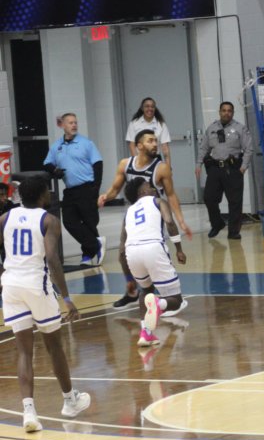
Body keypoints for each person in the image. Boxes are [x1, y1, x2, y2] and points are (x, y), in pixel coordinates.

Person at [0, 176, 91, 432]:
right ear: (42, 195)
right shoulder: (49, 220)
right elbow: (52, 259)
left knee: (24, 352)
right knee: (54, 346)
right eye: (48, 192)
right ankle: (70, 400)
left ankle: (29, 412)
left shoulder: (5, 218)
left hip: (11, 286)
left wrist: (3, 275)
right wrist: (67, 298)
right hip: (36, 286)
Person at [99, 129, 192, 308]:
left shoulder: (161, 168)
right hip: (133, 213)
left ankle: (157, 292)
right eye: (150, 141)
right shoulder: (125, 164)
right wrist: (105, 196)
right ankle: (132, 289)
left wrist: (180, 220)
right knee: (122, 252)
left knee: (149, 252)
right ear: (139, 146)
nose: (155, 144)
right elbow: (115, 189)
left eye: (156, 141)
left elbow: (171, 195)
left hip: (154, 213)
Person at [119, 177, 187, 348]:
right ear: (142, 191)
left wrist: (129, 279)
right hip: (153, 248)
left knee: (146, 291)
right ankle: (159, 304)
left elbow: (121, 250)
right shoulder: (158, 201)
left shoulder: (128, 212)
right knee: (176, 300)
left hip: (131, 252)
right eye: (149, 186)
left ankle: (146, 333)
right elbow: (169, 222)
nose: (153, 189)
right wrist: (179, 248)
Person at [43, 112, 105, 266]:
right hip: (70, 190)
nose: (74, 125)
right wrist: (54, 170)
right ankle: (96, 244)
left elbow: (98, 164)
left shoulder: (86, 143)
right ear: (63, 125)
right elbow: (47, 163)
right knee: (69, 222)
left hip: (87, 188)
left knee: (89, 222)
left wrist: (96, 188)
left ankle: (88, 254)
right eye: (70, 123)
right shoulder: (57, 146)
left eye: (75, 122)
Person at [196, 101, 254, 240]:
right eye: (224, 110)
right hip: (215, 168)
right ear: (219, 112)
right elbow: (204, 148)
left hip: (233, 168)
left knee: (235, 202)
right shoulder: (211, 128)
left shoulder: (240, 128)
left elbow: (248, 149)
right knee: (209, 198)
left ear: (232, 113)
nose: (226, 113)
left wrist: (243, 167)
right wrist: (198, 164)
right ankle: (217, 224)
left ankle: (233, 231)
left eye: (229, 111)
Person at [126, 97, 171, 167]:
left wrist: (168, 166)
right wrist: (137, 163)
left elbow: (165, 147)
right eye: (147, 106)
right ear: (142, 108)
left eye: (152, 107)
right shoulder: (134, 123)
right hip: (140, 159)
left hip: (156, 159)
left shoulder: (161, 124)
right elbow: (132, 145)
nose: (150, 109)